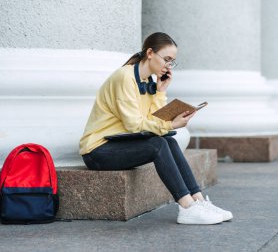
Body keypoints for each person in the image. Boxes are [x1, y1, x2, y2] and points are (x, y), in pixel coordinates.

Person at [79, 32, 233, 224]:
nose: (168, 66)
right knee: (158, 144)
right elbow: (134, 124)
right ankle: (187, 207)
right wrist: (170, 124)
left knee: (167, 140)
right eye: (166, 59)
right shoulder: (124, 77)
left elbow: (153, 120)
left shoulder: (147, 82)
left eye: (172, 62)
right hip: (98, 151)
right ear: (150, 53)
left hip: (120, 143)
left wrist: (161, 92)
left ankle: (198, 200)